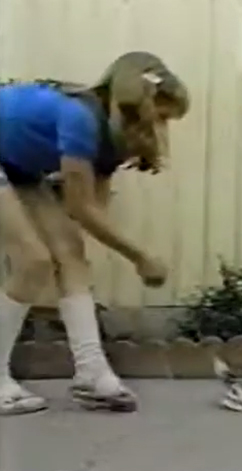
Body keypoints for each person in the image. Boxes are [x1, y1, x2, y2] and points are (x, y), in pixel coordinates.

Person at [0, 51, 189, 415]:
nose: (163, 129)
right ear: (141, 104)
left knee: (70, 252)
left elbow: (90, 213)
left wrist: (111, 251)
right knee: (32, 261)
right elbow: (80, 207)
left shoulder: (111, 138)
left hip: (17, 164)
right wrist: (141, 257)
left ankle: (92, 372)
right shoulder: (79, 119)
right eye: (162, 118)